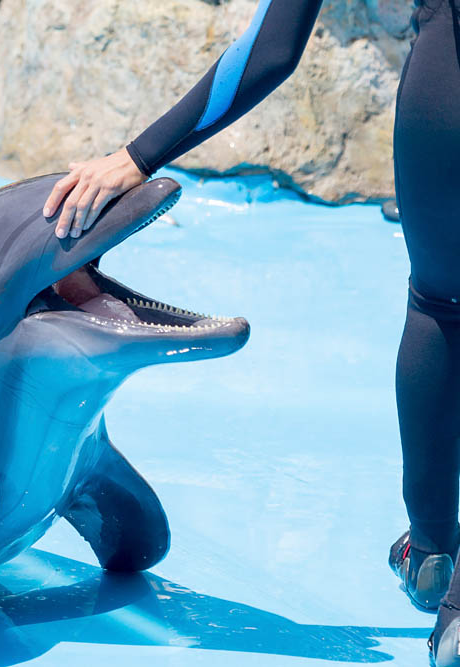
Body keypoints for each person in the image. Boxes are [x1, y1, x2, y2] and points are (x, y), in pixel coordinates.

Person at [42, 1, 460, 663]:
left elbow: (271, 47)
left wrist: (137, 156)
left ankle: (435, 556)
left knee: (442, 305)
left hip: (444, 90)